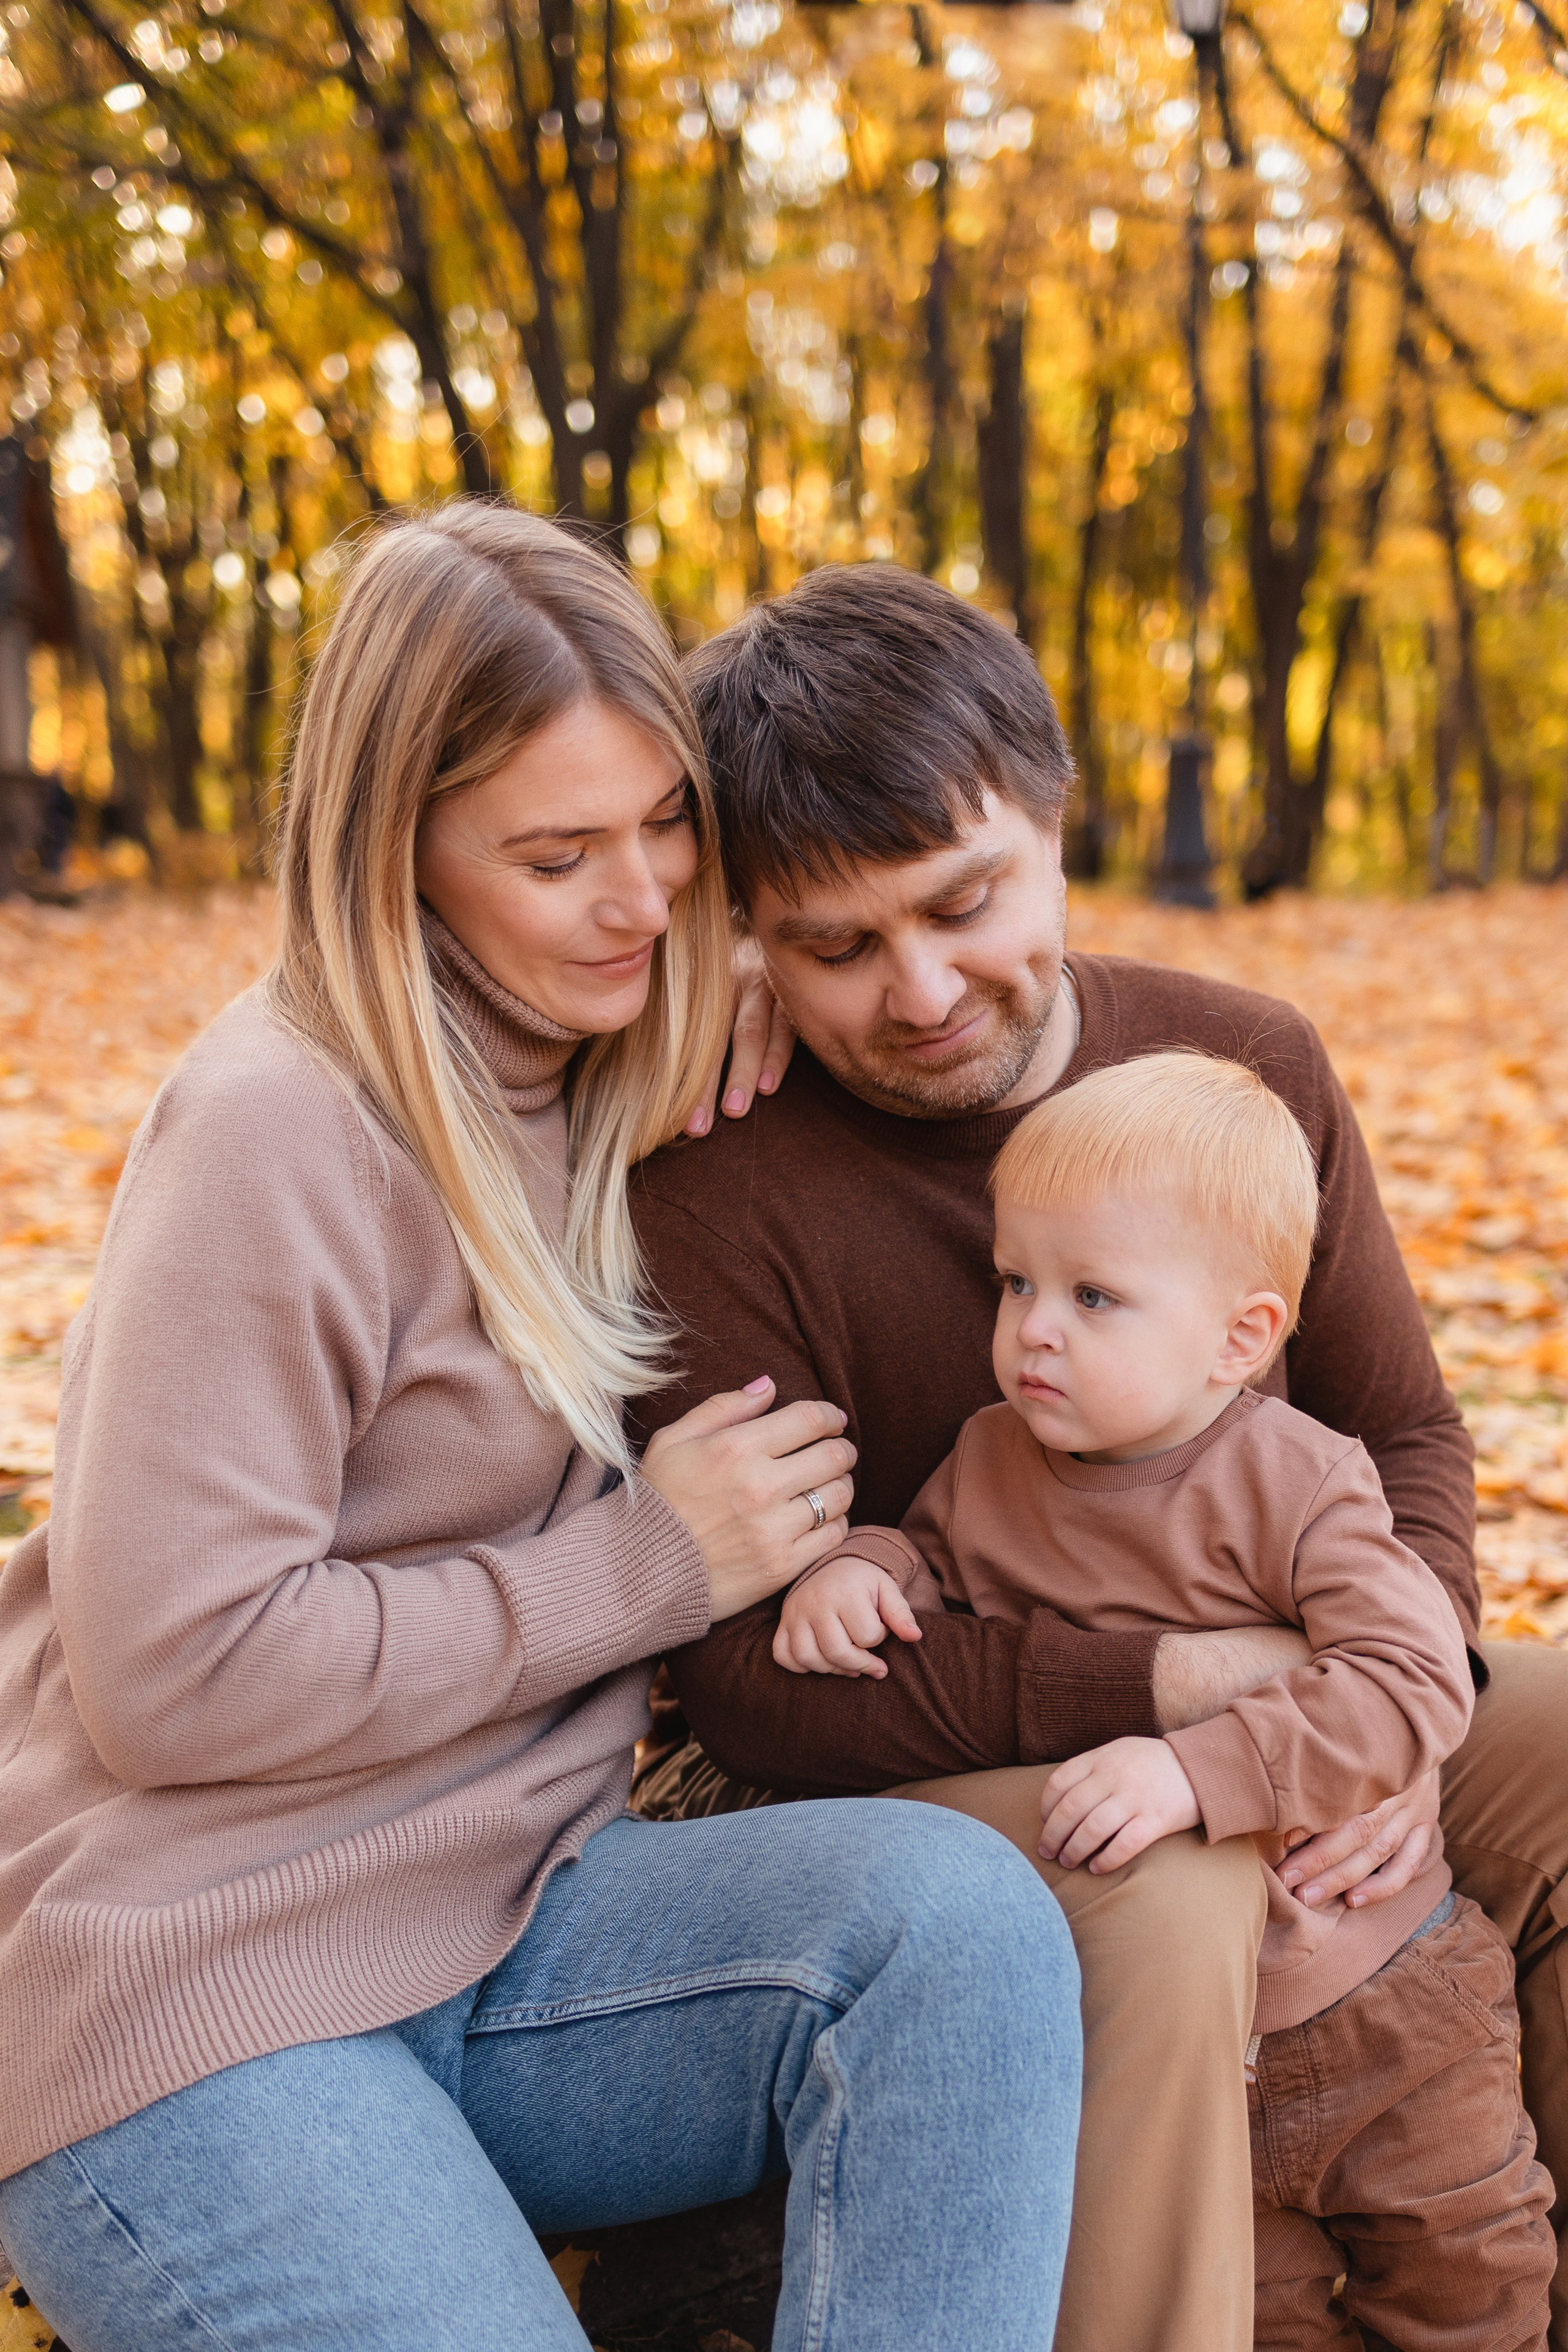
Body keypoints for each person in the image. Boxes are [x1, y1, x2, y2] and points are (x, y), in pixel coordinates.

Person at [0, 507, 1084, 2352]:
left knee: (955, 1933)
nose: (645, 898)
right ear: (399, 851)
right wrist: (649, 1566)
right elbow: (171, 1673)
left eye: (667, 826)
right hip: (195, 1988)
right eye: (559, 854)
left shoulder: (626, 1044)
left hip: (522, 1929)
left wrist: (766, 984)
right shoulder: (280, 1130)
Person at [629, 561, 1568, 2352]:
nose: (917, 990)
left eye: (964, 902)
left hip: (1300, 1671)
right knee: (1171, 1871)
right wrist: (1177, 1695)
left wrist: (1396, 1701)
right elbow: (763, 1696)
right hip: (941, 1767)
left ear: (1054, 821)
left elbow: (1408, 1431)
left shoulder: (1243, 1063)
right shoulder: (718, 1186)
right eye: (833, 945)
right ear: (750, 934)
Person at [780, 1051, 1555, 2351]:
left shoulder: (1297, 1484)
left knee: (1463, 2280)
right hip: (1213, 2051)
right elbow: (939, 1569)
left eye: (1092, 1297)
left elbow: (1412, 1673)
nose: (1033, 1328)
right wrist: (865, 1568)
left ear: (1238, 1339)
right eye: (1016, 1283)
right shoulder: (987, 1460)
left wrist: (1195, 1769)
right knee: (1270, 2317)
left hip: (1386, 2005)